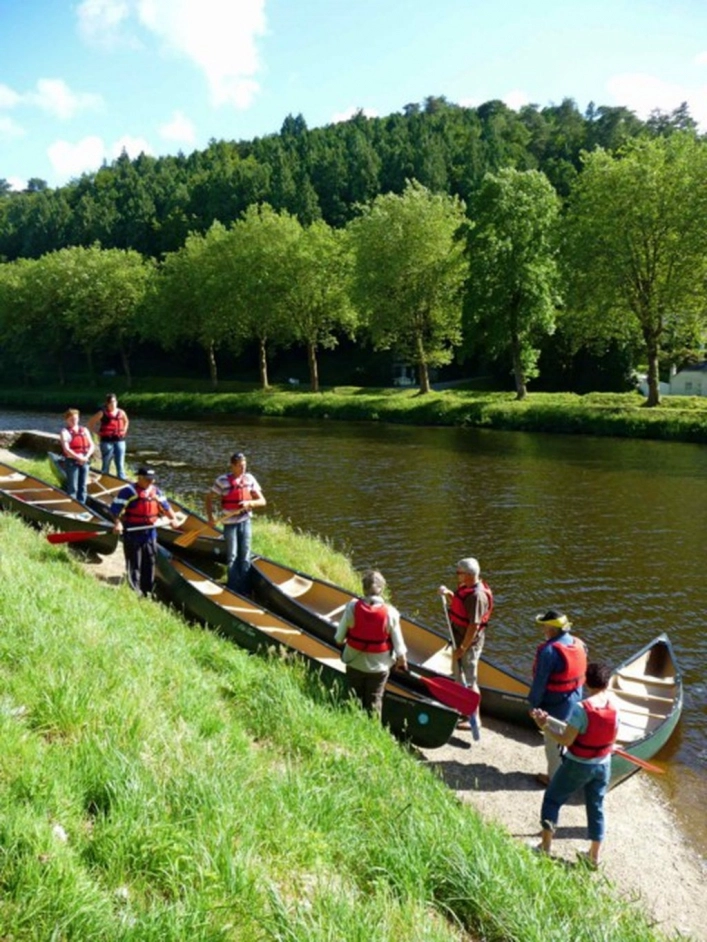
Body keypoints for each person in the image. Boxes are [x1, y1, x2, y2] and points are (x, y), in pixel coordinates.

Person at [530, 661, 619, 868]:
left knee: (552, 799)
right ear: (607, 682)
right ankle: (593, 857)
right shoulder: (615, 704)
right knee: (596, 807)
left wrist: (544, 726)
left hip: (579, 764)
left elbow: (566, 740)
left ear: (587, 682)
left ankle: (545, 848)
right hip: (603, 765)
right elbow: (613, 735)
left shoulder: (582, 709)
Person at [335, 570, 408, 717]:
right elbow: (400, 649)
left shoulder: (351, 608)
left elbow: (338, 639)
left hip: (354, 662)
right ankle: (373, 730)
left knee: (353, 697)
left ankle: (352, 723)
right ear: (381, 590)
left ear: (364, 589)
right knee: (375, 699)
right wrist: (402, 663)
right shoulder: (391, 612)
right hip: (379, 668)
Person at [528, 610, 588, 785]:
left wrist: (533, 704)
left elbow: (540, 682)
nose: (543, 630)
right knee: (568, 738)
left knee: (552, 742)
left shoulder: (548, 651)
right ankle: (568, 769)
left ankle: (553, 778)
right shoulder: (580, 643)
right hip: (576, 700)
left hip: (555, 704)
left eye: (545, 626)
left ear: (552, 630)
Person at [439, 556, 493, 740]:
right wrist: (447, 593)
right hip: (459, 640)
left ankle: (474, 719)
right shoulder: (467, 589)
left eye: (459, 573)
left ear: (469, 575)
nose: (457, 576)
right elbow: (459, 603)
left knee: (470, 680)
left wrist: (462, 648)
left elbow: (474, 625)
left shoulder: (477, 596)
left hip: (468, 643)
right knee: (459, 675)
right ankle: (461, 709)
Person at [110, 466, 181, 597]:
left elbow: (166, 507)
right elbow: (114, 510)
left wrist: (174, 519)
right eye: (148, 479)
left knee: (149, 561)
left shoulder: (156, 492)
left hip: (150, 533)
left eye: (152, 479)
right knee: (134, 562)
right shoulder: (128, 491)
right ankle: (134, 590)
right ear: (140, 478)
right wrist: (118, 523)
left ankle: (147, 590)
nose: (151, 482)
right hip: (133, 532)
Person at [205, 451, 266, 594]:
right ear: (232, 466)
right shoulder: (222, 481)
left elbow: (262, 501)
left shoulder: (250, 479)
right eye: (239, 466)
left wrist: (250, 502)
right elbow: (208, 498)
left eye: (244, 465)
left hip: (245, 522)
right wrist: (210, 518)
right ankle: (233, 589)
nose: (243, 468)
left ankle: (245, 589)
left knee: (245, 555)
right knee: (232, 555)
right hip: (229, 524)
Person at [87, 393, 129, 478]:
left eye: (114, 402)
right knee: (106, 462)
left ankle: (121, 480)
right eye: (110, 402)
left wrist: (124, 429)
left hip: (119, 440)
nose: (113, 404)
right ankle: (105, 478)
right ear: (107, 403)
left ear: (116, 402)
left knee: (120, 463)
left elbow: (126, 421)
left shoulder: (121, 412)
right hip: (107, 441)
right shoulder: (102, 413)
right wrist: (97, 432)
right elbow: (90, 423)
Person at [59, 408, 95, 504]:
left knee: (83, 485)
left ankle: (82, 505)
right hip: (72, 462)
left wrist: (86, 457)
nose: (74, 421)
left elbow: (92, 445)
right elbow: (67, 449)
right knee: (73, 486)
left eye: (76, 418)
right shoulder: (64, 432)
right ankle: (72, 505)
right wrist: (79, 458)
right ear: (67, 420)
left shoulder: (84, 430)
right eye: (71, 419)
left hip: (85, 460)